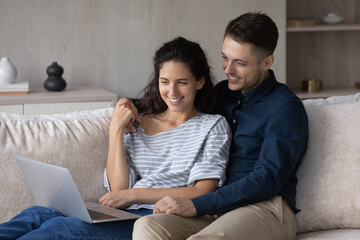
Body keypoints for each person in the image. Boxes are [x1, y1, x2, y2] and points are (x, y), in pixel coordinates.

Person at [0, 37, 231, 240]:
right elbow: (119, 187)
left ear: (199, 82)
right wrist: (115, 129)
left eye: (182, 82)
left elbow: (204, 191)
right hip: (123, 212)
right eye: (164, 81)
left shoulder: (212, 126)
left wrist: (133, 195)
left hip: (156, 218)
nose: (172, 91)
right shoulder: (139, 121)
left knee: (60, 229)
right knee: (38, 214)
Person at [132, 12, 309, 240]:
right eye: (225, 58)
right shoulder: (223, 92)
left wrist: (197, 204)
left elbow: (268, 178)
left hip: (264, 208)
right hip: (215, 209)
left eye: (240, 63)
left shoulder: (286, 108)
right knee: (148, 227)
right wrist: (129, 106)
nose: (228, 69)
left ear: (267, 62)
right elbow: (177, 98)